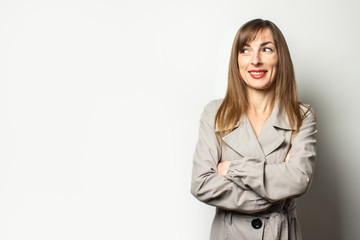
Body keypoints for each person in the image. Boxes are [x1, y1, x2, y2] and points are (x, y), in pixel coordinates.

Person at [190, 19, 317, 240]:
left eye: (266, 49)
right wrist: (271, 191)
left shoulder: (301, 115)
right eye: (245, 50)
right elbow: (201, 183)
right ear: (237, 60)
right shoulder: (215, 113)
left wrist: (231, 169)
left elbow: (298, 179)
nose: (255, 60)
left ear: (281, 58)